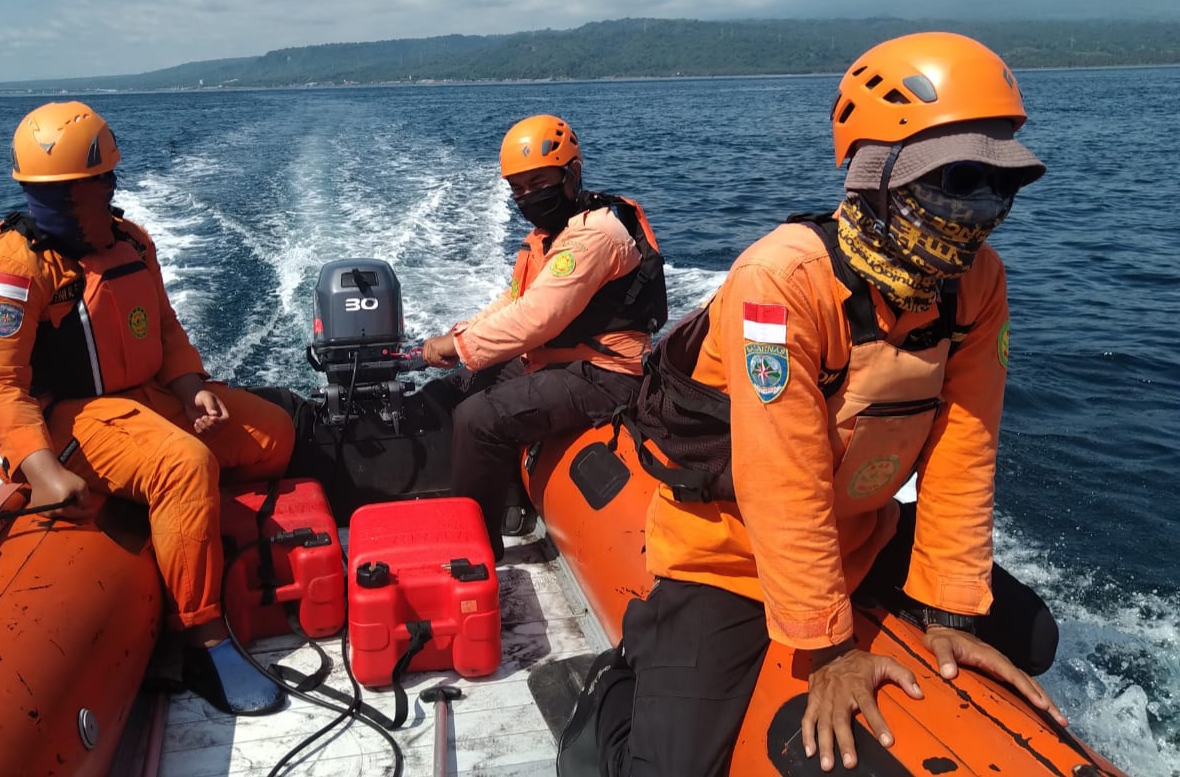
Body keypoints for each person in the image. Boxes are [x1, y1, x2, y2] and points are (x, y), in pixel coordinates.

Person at [558, 32, 1067, 776]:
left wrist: (952, 610)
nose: (980, 214)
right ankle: (614, 687)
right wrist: (827, 647)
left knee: (1034, 635)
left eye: (1001, 187)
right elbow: (779, 472)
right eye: (956, 182)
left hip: (861, 524)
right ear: (876, 176)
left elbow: (966, 441)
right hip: (729, 552)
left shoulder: (976, 284)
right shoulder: (782, 281)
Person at [0, 101, 295, 715]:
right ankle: (201, 636)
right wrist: (41, 470)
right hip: (74, 417)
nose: (66, 203)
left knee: (273, 434)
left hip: (151, 398)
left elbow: (164, 328)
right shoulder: (13, 268)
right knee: (185, 466)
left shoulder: (133, 243)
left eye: (78, 188)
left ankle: (177, 529)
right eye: (48, 192)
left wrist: (193, 384)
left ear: (107, 182)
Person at [421, 114, 667, 561]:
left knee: (478, 418)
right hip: (562, 358)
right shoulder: (553, 236)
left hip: (606, 373)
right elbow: (514, 300)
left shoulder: (594, 237)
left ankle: (473, 553)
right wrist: (458, 338)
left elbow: (537, 317)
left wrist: (458, 346)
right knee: (460, 389)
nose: (529, 197)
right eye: (518, 188)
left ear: (571, 174)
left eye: (539, 182)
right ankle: (510, 503)